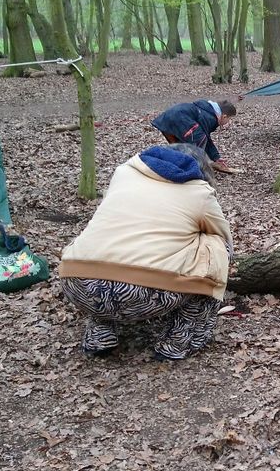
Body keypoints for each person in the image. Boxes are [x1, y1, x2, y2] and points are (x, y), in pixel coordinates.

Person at [59, 142, 232, 360]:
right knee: (217, 247)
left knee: (104, 244)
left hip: (76, 282)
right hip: (145, 294)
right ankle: (179, 341)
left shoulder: (123, 174)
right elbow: (223, 237)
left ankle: (99, 334)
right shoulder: (199, 192)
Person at [150, 99, 241, 173]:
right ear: (224, 116)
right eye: (229, 119)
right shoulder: (211, 117)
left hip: (166, 119)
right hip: (180, 119)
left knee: (178, 147)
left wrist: (216, 157)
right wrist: (215, 157)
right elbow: (205, 138)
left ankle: (171, 165)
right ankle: (194, 169)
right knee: (199, 140)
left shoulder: (206, 108)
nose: (228, 122)